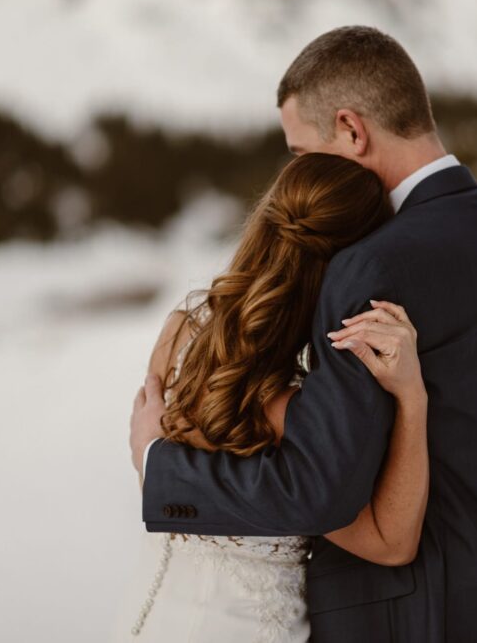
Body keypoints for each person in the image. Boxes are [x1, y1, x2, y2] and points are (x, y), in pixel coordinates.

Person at [130, 24, 477, 641]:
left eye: (303, 153)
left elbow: (318, 487)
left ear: (353, 130)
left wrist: (160, 466)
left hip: (403, 618)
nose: (298, 177)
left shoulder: (370, 265)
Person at [124, 152, 429, 642]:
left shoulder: (181, 332)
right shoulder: (292, 408)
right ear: (350, 264)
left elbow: (153, 471)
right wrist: (413, 398)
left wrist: (152, 458)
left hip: (152, 619)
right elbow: (391, 543)